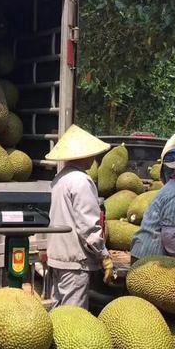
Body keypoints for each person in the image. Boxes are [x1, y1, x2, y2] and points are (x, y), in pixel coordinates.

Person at [46, 124, 114, 309]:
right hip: (75, 261)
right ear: (82, 155)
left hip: (59, 257)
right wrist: (103, 255)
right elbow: (88, 226)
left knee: (59, 312)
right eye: (91, 154)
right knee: (73, 319)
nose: (94, 158)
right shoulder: (81, 181)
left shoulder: (60, 178)